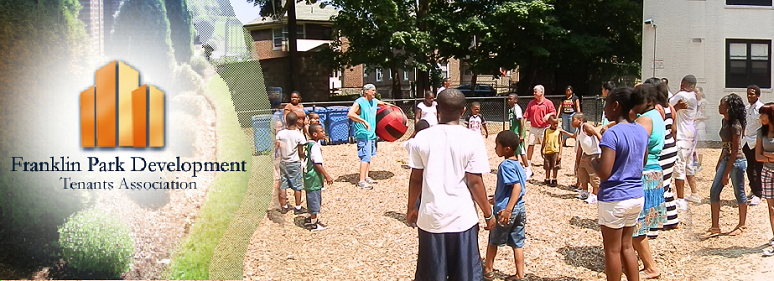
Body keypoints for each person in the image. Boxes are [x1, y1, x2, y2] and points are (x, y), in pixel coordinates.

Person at [406, 88, 495, 281]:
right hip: (462, 218)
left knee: (431, 275)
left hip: (431, 218)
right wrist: (488, 213)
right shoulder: (472, 138)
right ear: (463, 111)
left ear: (437, 108)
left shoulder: (422, 137)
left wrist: (412, 207)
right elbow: (474, 181)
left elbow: (416, 178)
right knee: (465, 275)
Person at [592, 87, 648, 281]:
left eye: (606, 104)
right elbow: (642, 162)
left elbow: (605, 173)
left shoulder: (612, 134)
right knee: (627, 246)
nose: (605, 109)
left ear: (616, 106)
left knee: (612, 250)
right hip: (636, 195)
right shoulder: (641, 130)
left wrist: (593, 162)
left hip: (615, 197)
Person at [701, 93, 749, 240]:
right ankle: (715, 227)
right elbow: (725, 146)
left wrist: (725, 172)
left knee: (739, 193)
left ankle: (742, 225)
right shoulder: (724, 122)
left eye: (722, 104)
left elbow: (735, 150)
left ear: (728, 107)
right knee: (714, 191)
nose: (719, 106)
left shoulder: (735, 125)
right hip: (727, 159)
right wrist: (720, 161)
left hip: (737, 161)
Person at [483, 131, 528, 281]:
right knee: (518, 243)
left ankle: (488, 270)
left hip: (506, 211)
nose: (495, 148)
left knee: (493, 241)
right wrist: (499, 197)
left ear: (507, 149)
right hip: (520, 208)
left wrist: (507, 209)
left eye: (497, 146)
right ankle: (520, 275)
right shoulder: (518, 164)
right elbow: (514, 187)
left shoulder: (505, 166)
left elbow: (517, 187)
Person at [632, 84, 666, 280]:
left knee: (636, 227)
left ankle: (650, 267)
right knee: (638, 226)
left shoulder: (645, 119)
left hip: (644, 174)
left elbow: (638, 147)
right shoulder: (657, 116)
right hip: (654, 172)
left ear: (649, 102)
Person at [643, 77, 680, 231]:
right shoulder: (670, 108)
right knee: (666, 185)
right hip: (671, 146)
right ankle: (671, 219)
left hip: (662, 149)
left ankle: (654, 222)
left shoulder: (655, 110)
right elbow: (674, 130)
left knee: (657, 186)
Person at [348, 84, 392, 190]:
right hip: (363, 133)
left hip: (372, 134)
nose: (374, 92)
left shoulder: (374, 101)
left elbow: (384, 104)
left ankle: (366, 176)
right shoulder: (359, 102)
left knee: (369, 156)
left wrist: (393, 108)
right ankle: (361, 181)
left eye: (375, 91)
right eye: (372, 90)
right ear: (366, 91)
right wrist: (363, 121)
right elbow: (350, 114)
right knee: (365, 157)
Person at [670, 75, 700, 210]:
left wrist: (675, 105)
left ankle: (680, 199)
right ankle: (694, 193)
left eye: (685, 84)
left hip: (682, 135)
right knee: (688, 165)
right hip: (691, 133)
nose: (681, 86)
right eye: (681, 83)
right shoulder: (694, 96)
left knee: (679, 166)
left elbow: (667, 105)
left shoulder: (682, 95)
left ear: (691, 86)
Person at [303, 124, 334, 231]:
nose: (324, 132)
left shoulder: (309, 144)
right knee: (315, 199)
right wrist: (326, 175)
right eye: (322, 131)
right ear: (315, 134)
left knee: (311, 197)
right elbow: (317, 163)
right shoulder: (315, 147)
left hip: (308, 176)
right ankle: (314, 223)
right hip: (313, 176)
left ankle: (308, 218)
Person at [275, 112, 307, 215]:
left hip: (283, 161)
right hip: (294, 162)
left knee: (283, 185)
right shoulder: (299, 135)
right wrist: (303, 158)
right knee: (297, 185)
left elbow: (277, 147)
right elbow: (301, 151)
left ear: (286, 121)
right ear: (297, 121)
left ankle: (284, 206)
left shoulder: (280, 134)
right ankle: (297, 207)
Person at [754, 103, 774, 256]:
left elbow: (762, 155)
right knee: (771, 208)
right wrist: (771, 156)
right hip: (767, 173)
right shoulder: (761, 132)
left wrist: (766, 156)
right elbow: (757, 156)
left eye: (763, 114)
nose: (760, 117)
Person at [572, 113, 602, 204]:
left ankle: (595, 195)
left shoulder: (586, 126)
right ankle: (584, 192)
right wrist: (577, 161)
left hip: (594, 154)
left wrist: (605, 148)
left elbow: (597, 133)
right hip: (586, 155)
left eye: (573, 120)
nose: (571, 122)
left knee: (594, 175)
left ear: (580, 120)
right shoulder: (578, 131)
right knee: (582, 173)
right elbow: (580, 147)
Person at [524, 85, 557, 165]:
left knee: (546, 146)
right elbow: (526, 115)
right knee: (530, 144)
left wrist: (548, 115)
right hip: (533, 128)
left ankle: (547, 161)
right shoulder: (531, 103)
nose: (534, 93)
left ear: (541, 92)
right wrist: (524, 126)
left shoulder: (548, 103)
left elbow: (554, 112)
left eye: (536, 91)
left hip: (544, 128)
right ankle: (528, 162)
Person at [744, 85, 764, 206]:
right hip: (746, 141)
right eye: (748, 94)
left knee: (758, 168)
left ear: (757, 95)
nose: (749, 96)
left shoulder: (761, 108)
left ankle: (759, 193)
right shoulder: (747, 108)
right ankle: (753, 188)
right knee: (749, 167)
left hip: (756, 142)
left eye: (752, 94)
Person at [542, 116, 572, 186]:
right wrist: (542, 149)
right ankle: (547, 179)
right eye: (554, 124)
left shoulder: (558, 132)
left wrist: (560, 153)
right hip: (547, 151)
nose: (556, 125)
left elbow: (560, 142)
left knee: (555, 166)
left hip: (555, 151)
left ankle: (554, 179)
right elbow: (544, 140)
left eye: (557, 124)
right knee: (547, 166)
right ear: (550, 123)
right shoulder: (546, 131)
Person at [507, 94, 533, 179]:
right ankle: (517, 168)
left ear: (515, 100)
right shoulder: (511, 109)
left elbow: (521, 120)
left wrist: (521, 134)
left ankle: (527, 169)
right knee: (515, 151)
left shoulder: (516, 108)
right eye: (508, 99)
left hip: (517, 133)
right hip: (513, 132)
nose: (508, 100)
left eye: (510, 99)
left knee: (521, 150)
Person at [695, 87, 709, 171]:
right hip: (692, 126)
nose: (695, 93)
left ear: (701, 92)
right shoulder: (692, 102)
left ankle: (700, 163)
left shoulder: (705, 102)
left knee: (700, 145)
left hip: (700, 126)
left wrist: (698, 119)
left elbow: (707, 116)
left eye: (697, 92)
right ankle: (694, 162)